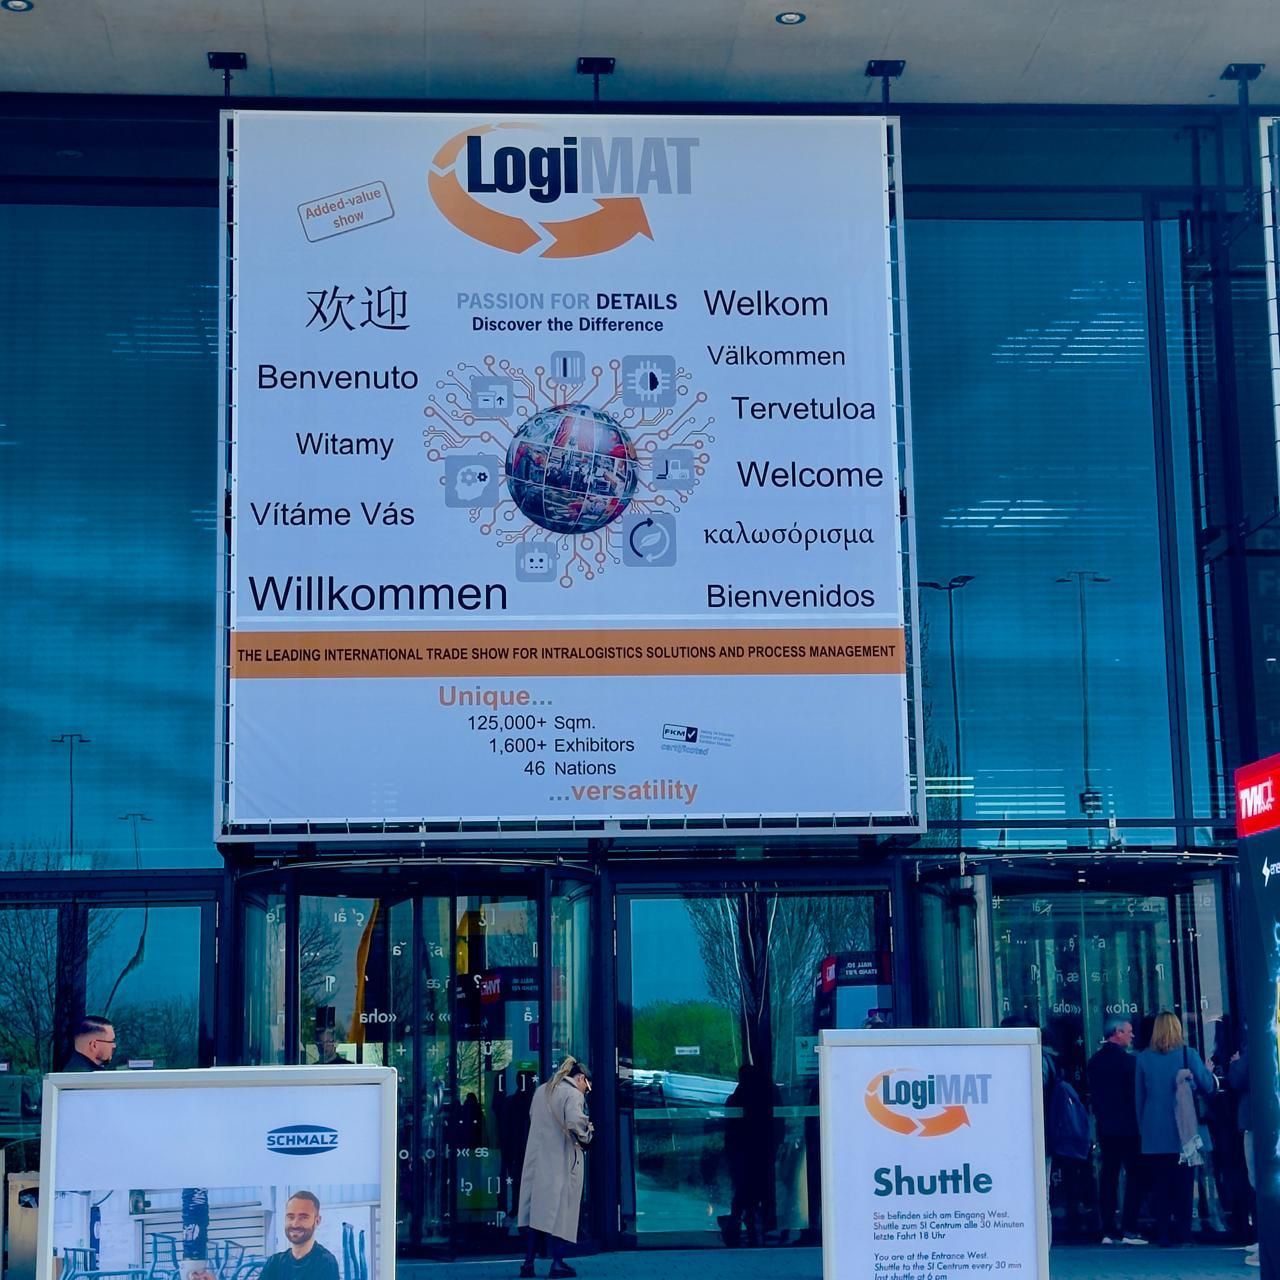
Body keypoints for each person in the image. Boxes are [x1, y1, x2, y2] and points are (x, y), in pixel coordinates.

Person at [1135, 1010, 1216, 1247]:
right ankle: (1184, 1233)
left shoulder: (1143, 1058)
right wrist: (1209, 1072)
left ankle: (1163, 1233)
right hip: (1184, 1130)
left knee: (1160, 1185)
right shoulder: (1188, 1054)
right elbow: (1207, 1085)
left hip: (1154, 1129)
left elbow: (1139, 1098)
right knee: (1184, 1184)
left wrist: (1143, 1128)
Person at [518, 1057, 593, 1278]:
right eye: (587, 1086)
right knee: (562, 1212)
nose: (586, 1091)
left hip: (537, 1159)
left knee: (537, 1212)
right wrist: (588, 1132)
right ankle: (557, 1263)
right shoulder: (573, 1094)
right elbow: (575, 1122)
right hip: (561, 1159)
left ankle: (528, 1263)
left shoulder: (541, 1090)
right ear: (580, 1078)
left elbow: (533, 1117)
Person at [1088, 1015, 1145, 1244]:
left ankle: (1108, 1228)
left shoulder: (1094, 1062)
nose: (1132, 1035)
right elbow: (1136, 1094)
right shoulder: (1130, 1063)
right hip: (1130, 1127)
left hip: (1106, 1127)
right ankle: (1129, 1226)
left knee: (1108, 1176)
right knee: (1135, 1176)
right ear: (1117, 1033)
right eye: (1128, 1031)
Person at [1227, 1045, 1259, 1268]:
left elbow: (1237, 1080)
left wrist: (1235, 1064)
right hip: (1264, 1119)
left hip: (1255, 1121)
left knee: (1258, 1180)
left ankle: (1268, 1241)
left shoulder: (1257, 1044)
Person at [259, 1191, 339, 1280]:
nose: (295, 1224)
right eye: (290, 1217)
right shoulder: (274, 1263)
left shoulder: (325, 1262)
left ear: (317, 1221)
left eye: (303, 1217)